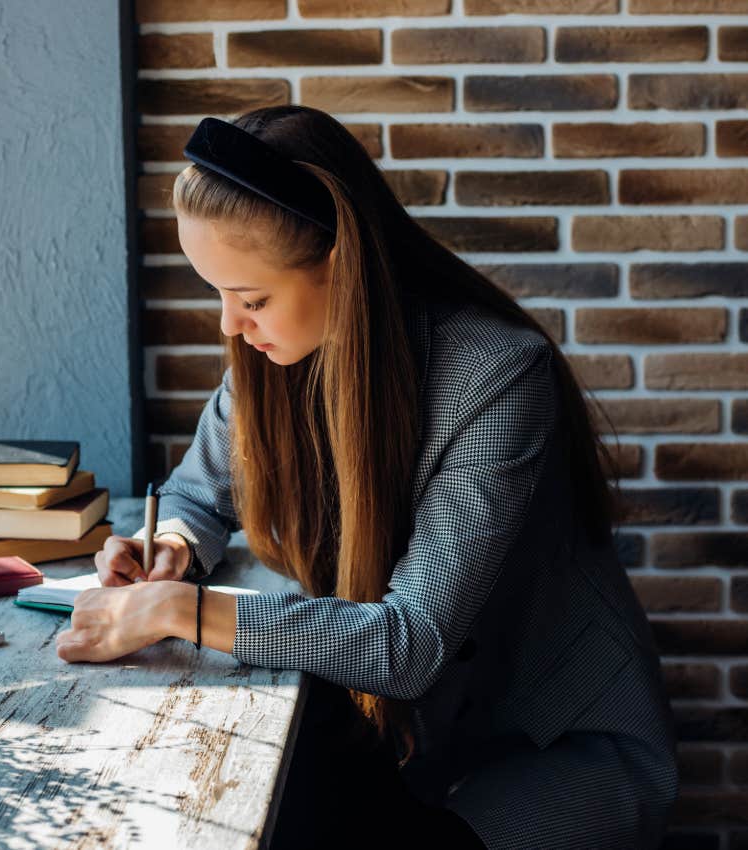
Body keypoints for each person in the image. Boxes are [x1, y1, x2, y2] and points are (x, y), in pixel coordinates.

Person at [56, 105, 679, 849]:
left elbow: (409, 644)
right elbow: (197, 492)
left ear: (341, 267)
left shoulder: (500, 378)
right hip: (408, 739)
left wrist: (177, 611)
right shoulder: (275, 358)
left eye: (251, 300)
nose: (228, 326)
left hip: (552, 752)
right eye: (215, 293)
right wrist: (176, 548)